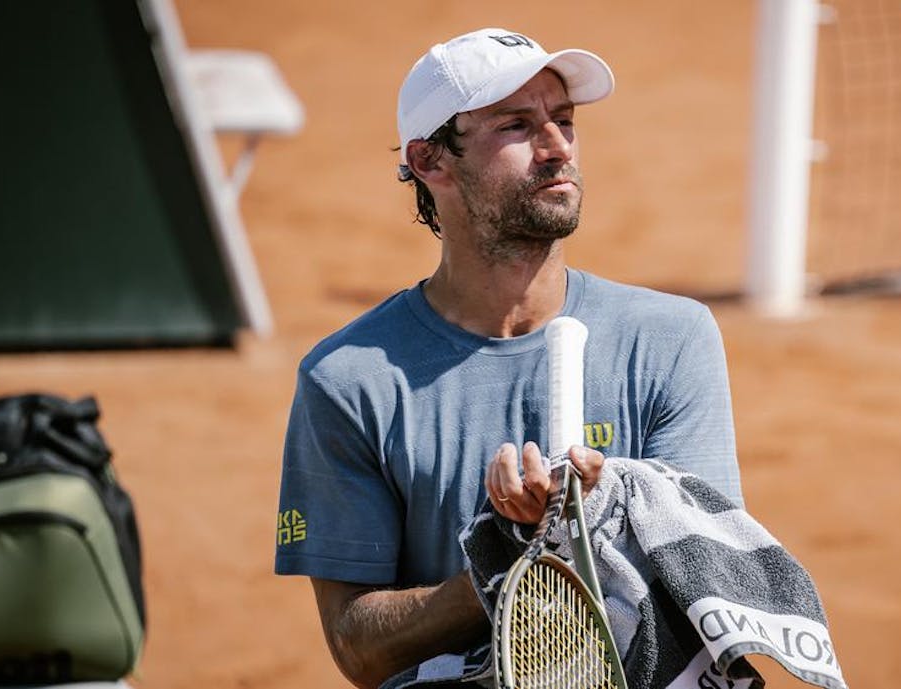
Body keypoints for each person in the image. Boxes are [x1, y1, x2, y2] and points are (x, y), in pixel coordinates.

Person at [274, 27, 745, 689]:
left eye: (564, 120)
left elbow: (711, 583)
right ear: (431, 160)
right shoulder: (348, 380)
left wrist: (597, 519)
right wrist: (505, 563)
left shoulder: (671, 340)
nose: (557, 148)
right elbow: (359, 647)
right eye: (518, 126)